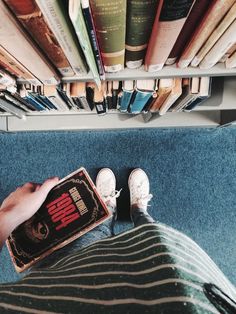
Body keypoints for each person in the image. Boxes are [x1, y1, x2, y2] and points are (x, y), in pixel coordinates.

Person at [0, 168, 235, 313]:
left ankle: (107, 213)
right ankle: (137, 211)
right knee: (151, 237)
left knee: (89, 251)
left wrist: (7, 217)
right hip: (189, 288)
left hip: (66, 286)